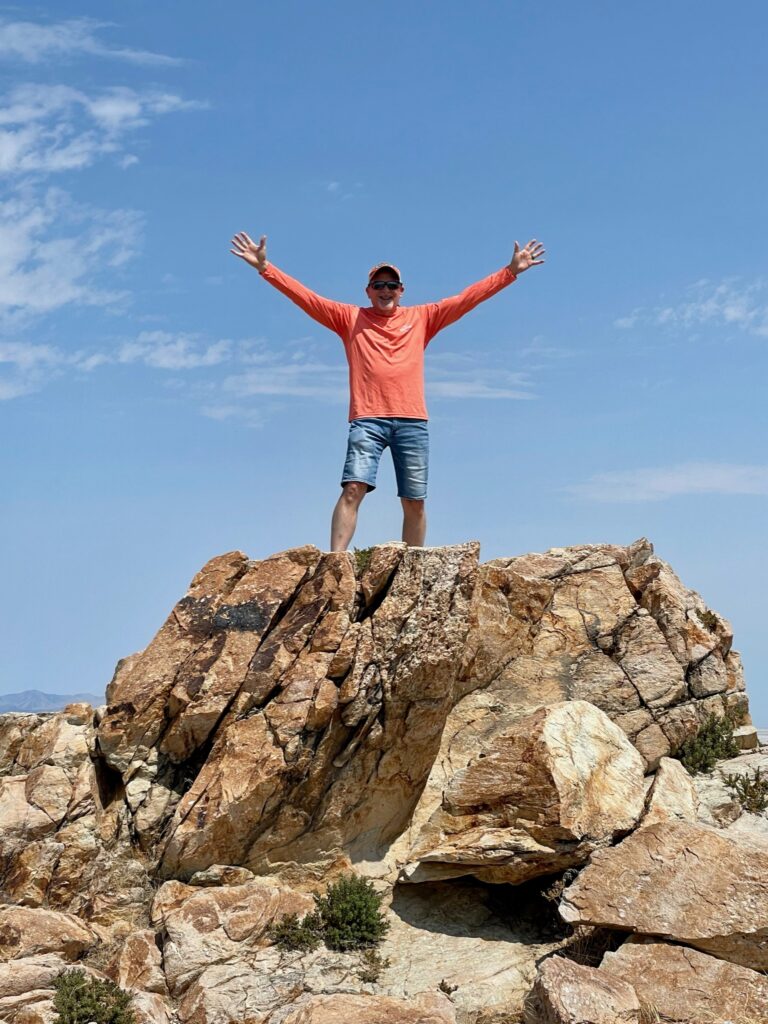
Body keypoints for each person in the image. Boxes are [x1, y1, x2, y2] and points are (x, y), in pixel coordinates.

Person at [230, 232, 545, 551]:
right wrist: (265, 268)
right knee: (353, 488)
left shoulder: (423, 317)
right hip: (367, 419)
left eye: (391, 285)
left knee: (415, 501)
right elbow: (307, 298)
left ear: (401, 290)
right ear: (368, 291)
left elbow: (466, 299)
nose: (385, 290)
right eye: (378, 286)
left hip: (412, 421)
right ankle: (335, 563)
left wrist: (510, 273)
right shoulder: (349, 318)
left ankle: (412, 568)